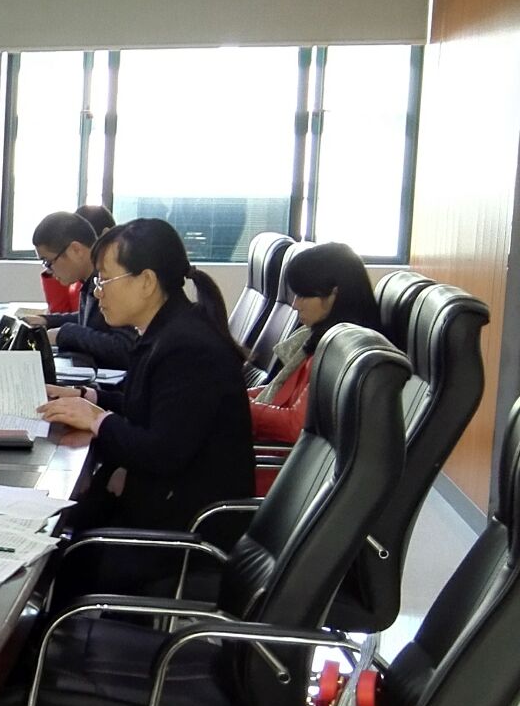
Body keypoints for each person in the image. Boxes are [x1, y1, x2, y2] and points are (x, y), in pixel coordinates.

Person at [38, 218, 253, 591]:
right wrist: (87, 397)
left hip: (183, 536)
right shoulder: (166, 331)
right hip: (161, 510)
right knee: (58, 526)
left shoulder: (187, 348)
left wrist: (98, 420)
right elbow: (148, 407)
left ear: (147, 282)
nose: (98, 293)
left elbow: (162, 451)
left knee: (60, 551)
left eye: (105, 279)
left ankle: (55, 627)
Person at [248, 242, 382, 488]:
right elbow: (280, 393)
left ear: (334, 295)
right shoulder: (320, 339)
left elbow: (295, 426)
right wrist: (234, 397)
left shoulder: (338, 353)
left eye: (303, 295)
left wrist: (241, 407)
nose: (295, 304)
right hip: (277, 462)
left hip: (283, 476)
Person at [22, 211, 135, 368]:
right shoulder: (89, 279)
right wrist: (48, 320)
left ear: (76, 250)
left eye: (48, 262)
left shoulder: (112, 281)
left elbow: (125, 348)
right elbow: (93, 319)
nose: (48, 270)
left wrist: (65, 334)